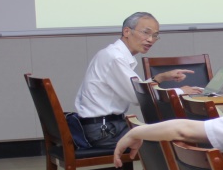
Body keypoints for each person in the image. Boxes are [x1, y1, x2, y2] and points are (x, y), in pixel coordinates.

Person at [73, 12, 199, 149]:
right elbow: (140, 96)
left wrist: (160, 77)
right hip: (104, 131)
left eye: (155, 35)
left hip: (105, 126)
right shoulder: (115, 58)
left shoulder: (113, 54)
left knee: (166, 136)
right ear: (127, 31)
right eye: (146, 33)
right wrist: (181, 91)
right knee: (169, 142)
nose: (150, 40)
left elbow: (138, 90)